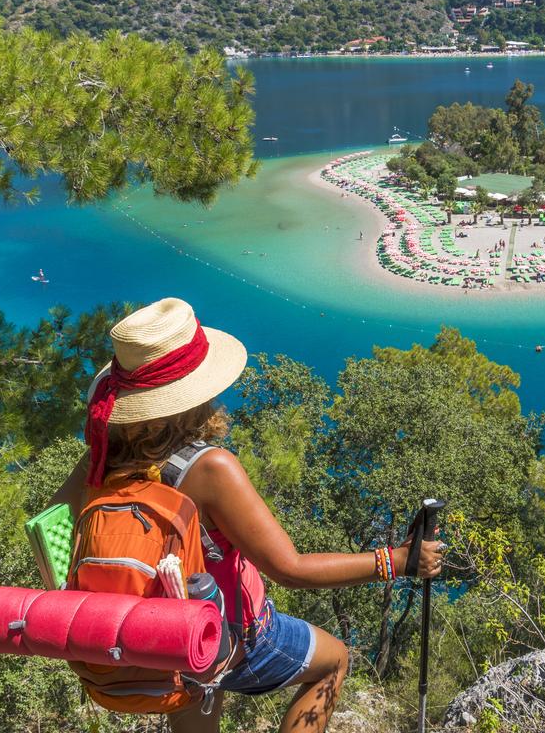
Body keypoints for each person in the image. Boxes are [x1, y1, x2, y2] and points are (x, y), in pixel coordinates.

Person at [51, 299, 444, 733]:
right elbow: (289, 569)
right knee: (333, 661)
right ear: (193, 394)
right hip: (228, 636)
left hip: (154, 638)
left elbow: (51, 532)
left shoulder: (99, 462)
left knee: (195, 685)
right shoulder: (210, 469)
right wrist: (397, 561)